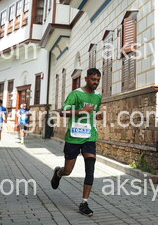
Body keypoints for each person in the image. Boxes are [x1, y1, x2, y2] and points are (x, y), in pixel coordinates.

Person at [50, 68, 103, 217]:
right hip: (74, 137)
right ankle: (58, 173)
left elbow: (95, 112)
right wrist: (82, 111)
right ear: (86, 79)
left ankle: (84, 203)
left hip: (90, 137)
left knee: (90, 168)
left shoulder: (98, 96)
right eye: (93, 79)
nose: (96, 82)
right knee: (68, 170)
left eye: (98, 80)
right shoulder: (76, 94)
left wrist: (98, 115)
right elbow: (62, 112)